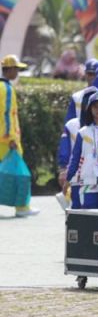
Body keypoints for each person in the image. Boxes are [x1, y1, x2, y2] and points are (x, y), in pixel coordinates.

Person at [1, 54, 36, 217]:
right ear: (9, 70)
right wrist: (11, 139)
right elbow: (7, 114)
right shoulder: (6, 89)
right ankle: (22, 207)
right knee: (22, 174)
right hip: (8, 141)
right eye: (16, 69)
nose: (17, 73)